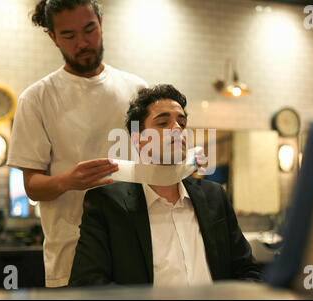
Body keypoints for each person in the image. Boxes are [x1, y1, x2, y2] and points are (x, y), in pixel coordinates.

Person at [6, 0, 147, 287]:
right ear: (53, 37)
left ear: (101, 24)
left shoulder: (137, 90)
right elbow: (32, 186)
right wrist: (69, 180)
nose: (82, 42)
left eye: (89, 30)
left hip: (137, 249)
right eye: (69, 36)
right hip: (70, 254)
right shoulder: (37, 99)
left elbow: (153, 165)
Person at [69, 85, 263, 287]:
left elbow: (248, 270)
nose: (178, 129)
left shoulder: (214, 196)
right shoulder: (107, 203)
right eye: (163, 123)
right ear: (139, 141)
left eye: (182, 123)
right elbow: (88, 283)